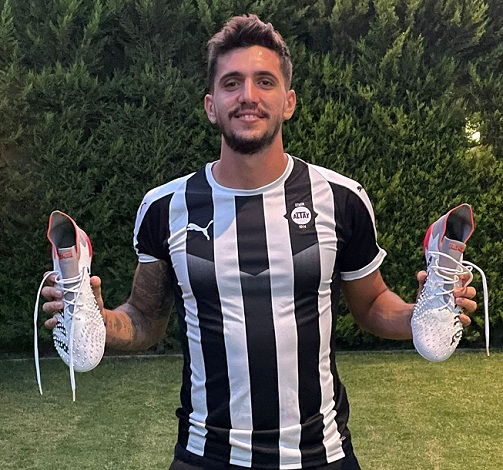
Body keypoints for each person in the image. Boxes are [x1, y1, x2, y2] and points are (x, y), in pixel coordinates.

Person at [41, 14, 477, 470]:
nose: (248, 95)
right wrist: (98, 320)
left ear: (288, 101)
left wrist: (421, 314)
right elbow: (145, 318)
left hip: (320, 456)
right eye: (231, 83)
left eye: (264, 81)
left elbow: (370, 306)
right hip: (205, 456)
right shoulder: (165, 207)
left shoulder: (341, 198)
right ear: (211, 105)